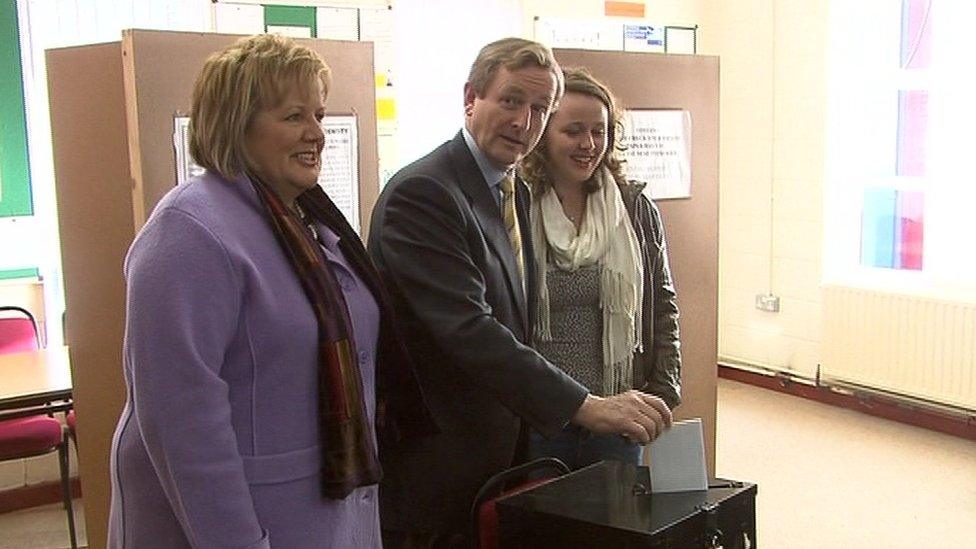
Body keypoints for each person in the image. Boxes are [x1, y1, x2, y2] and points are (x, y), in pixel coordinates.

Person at [107, 34, 433, 549]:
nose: (317, 133)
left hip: (325, 510)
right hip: (243, 522)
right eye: (294, 117)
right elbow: (183, 426)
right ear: (236, 123)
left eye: (319, 116)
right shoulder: (188, 231)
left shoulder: (308, 223)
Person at [368, 37, 672, 547]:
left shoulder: (506, 189)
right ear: (471, 98)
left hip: (496, 451)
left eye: (538, 109)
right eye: (510, 101)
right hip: (439, 462)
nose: (523, 122)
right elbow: (468, 329)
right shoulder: (427, 193)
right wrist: (585, 405)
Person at [518, 68, 682, 469]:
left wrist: (662, 389)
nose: (588, 144)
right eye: (573, 131)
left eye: (599, 131)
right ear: (542, 134)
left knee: (612, 526)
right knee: (543, 525)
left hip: (618, 413)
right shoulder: (515, 205)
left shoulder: (633, 208)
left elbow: (662, 306)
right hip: (539, 416)